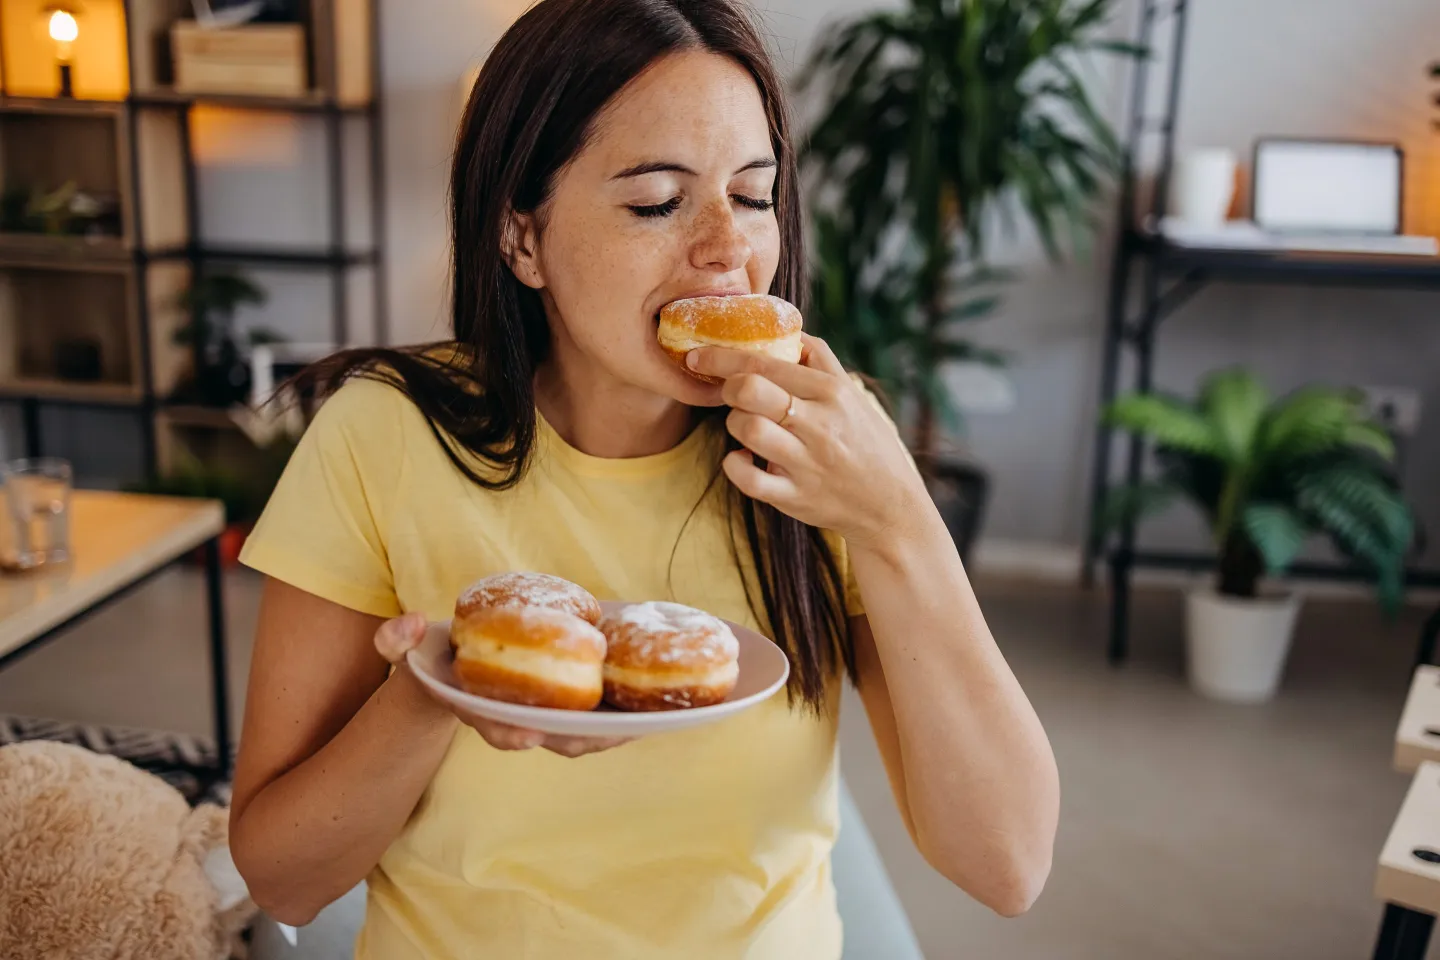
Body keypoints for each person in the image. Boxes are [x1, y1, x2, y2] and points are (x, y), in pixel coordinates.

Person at [228, 1, 1059, 957]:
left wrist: (896, 518)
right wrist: (431, 694)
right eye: (658, 202)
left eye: (753, 196)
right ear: (521, 238)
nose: (728, 251)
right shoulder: (384, 433)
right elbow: (283, 878)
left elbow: (1008, 866)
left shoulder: (824, 448)